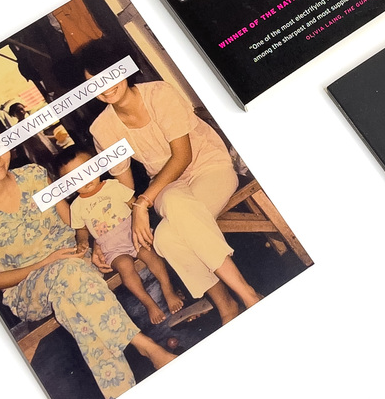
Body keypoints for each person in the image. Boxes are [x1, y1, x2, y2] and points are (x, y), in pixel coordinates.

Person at [0, 126, 175, 399]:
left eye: (0, 147)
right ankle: (144, 344)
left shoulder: (34, 176)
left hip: (76, 263)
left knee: (70, 300)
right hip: (28, 290)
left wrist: (95, 244)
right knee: (68, 273)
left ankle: (120, 394)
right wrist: (46, 262)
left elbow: (74, 221)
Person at [79, 39, 262, 325]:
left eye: (110, 75)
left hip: (209, 167)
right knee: (173, 211)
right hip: (165, 186)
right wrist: (106, 237)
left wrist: (143, 203)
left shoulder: (159, 94)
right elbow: (124, 189)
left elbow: (182, 156)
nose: (104, 87)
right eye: (94, 83)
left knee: (167, 236)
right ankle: (235, 300)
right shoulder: (102, 128)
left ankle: (238, 300)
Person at [59, 150, 185, 326]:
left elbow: (134, 204)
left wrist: (143, 218)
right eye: (75, 179)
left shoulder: (113, 186)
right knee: (125, 267)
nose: (84, 180)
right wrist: (82, 241)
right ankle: (149, 303)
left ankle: (167, 288)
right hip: (112, 247)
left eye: (86, 170)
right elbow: (81, 229)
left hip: (132, 232)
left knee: (150, 254)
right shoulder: (76, 206)